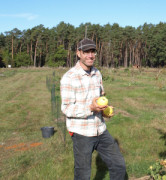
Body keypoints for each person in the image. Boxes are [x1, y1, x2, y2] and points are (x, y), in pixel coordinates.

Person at [60, 38, 126, 180]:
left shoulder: (97, 73)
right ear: (78, 53)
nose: (90, 55)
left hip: (100, 129)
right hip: (81, 133)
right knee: (83, 174)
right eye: (86, 52)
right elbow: (66, 108)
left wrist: (104, 109)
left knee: (118, 164)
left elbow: (101, 96)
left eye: (93, 52)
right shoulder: (69, 77)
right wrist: (90, 108)